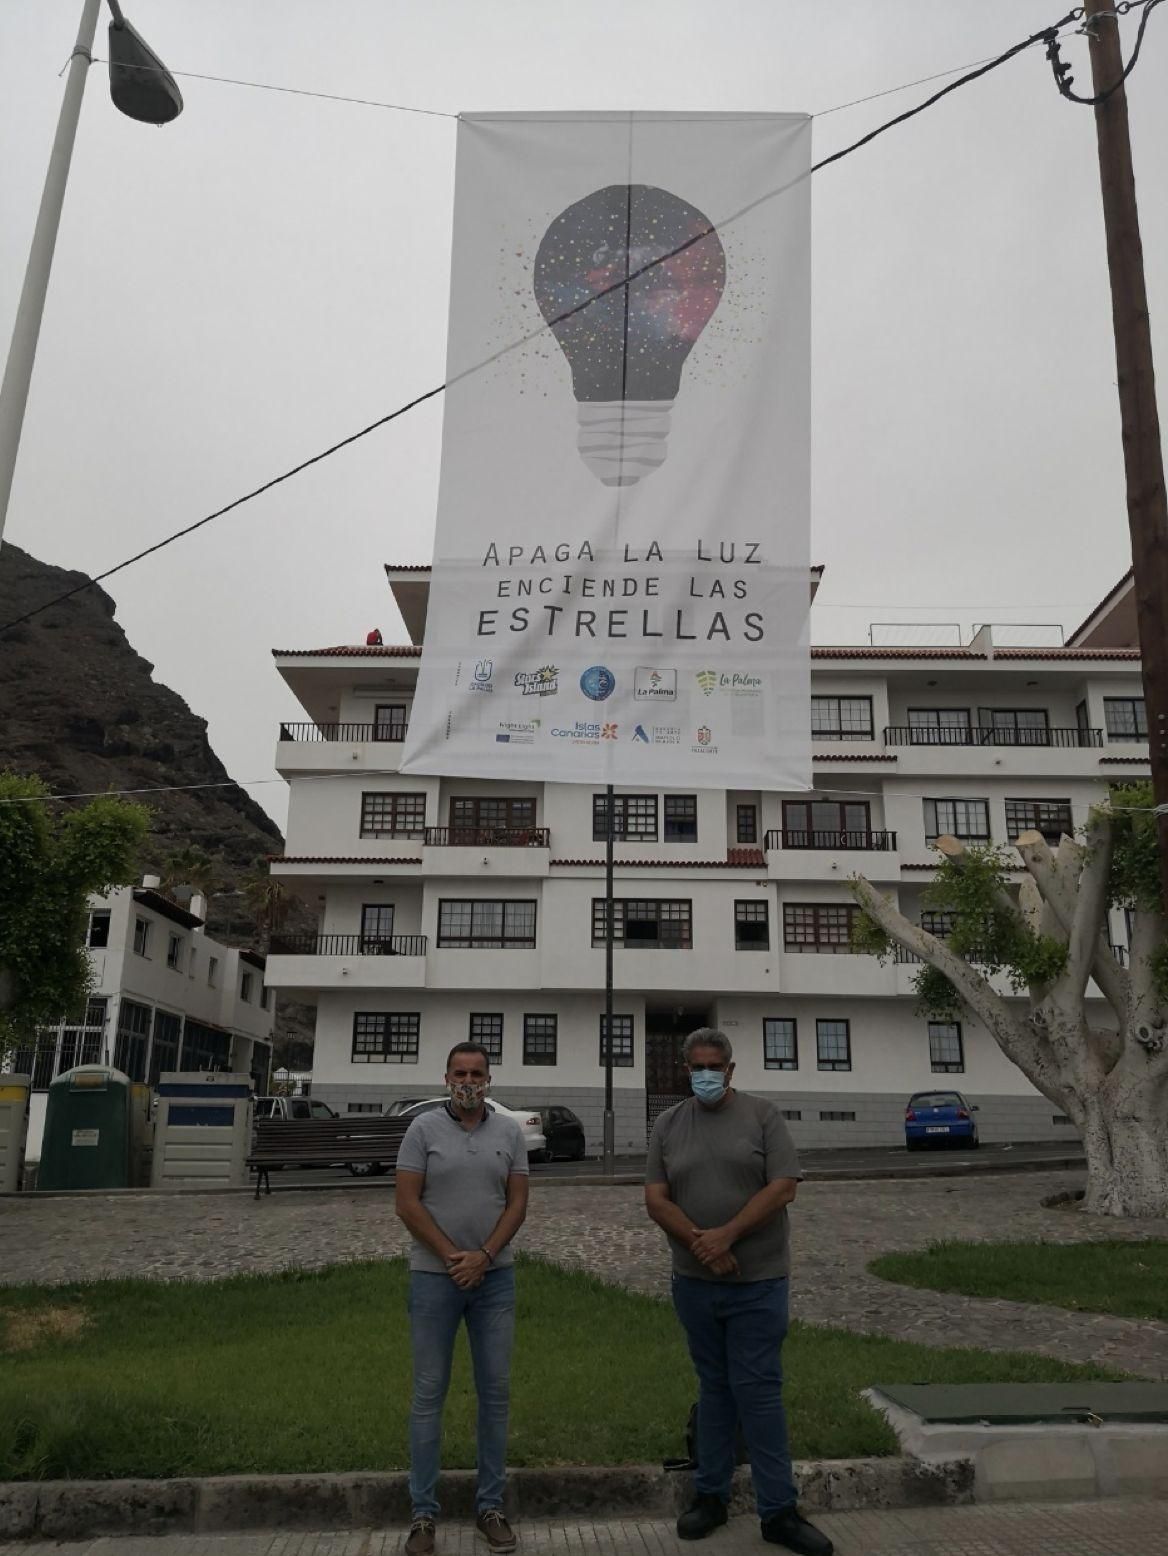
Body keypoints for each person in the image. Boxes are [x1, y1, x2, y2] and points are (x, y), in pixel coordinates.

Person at [645, 1028, 832, 1556]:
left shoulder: (762, 1117)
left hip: (758, 1282)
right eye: (696, 1066)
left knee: (760, 1392)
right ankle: (711, 1496)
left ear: (731, 1068)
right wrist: (701, 1245)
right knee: (714, 1389)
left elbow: (783, 1186)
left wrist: (727, 1235)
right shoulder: (668, 1125)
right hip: (696, 1285)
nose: (706, 1074)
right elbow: (656, 1198)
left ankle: (778, 1512)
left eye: (715, 1066)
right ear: (686, 1068)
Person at [395, 1043, 529, 1556]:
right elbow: (406, 1203)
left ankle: (490, 1505)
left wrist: (486, 1255)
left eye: (476, 1073)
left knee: (494, 1394)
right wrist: (455, 1256)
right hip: (434, 1278)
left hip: (495, 1280)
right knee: (429, 1394)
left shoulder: (509, 1132)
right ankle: (423, 1515)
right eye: (459, 1073)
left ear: (489, 1078)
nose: (468, 1081)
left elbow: (518, 1202)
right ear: (446, 1077)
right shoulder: (422, 1130)